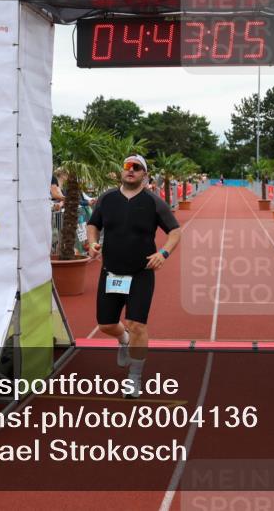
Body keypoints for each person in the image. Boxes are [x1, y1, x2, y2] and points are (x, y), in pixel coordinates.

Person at [86, 154, 181, 396]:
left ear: (144, 174)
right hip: (110, 272)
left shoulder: (153, 202)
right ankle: (124, 340)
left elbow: (175, 231)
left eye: (136, 168)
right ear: (121, 171)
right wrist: (92, 242)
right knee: (106, 324)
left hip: (141, 273)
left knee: (137, 324)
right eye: (127, 166)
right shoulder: (107, 198)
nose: (130, 170)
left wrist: (164, 253)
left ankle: (134, 377)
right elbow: (93, 224)